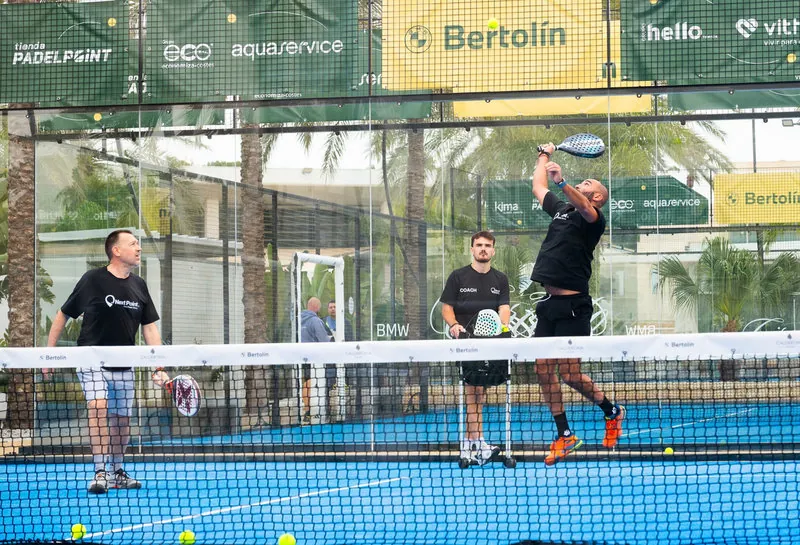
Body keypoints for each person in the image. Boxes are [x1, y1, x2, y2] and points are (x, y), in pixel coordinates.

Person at [45, 229, 161, 493]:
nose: (139, 248)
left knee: (122, 420)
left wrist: (159, 367)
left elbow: (149, 328)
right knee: (98, 406)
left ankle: (117, 471)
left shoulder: (139, 285)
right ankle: (100, 472)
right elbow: (63, 314)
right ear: (116, 250)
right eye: (133, 244)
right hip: (91, 358)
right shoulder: (92, 280)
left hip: (125, 363)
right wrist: (48, 356)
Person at [530, 143, 624, 466]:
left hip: (574, 306)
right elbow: (537, 186)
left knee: (570, 374)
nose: (583, 184)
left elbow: (582, 205)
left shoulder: (593, 218)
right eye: (581, 182)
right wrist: (544, 155)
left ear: (596, 197)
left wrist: (562, 181)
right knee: (542, 368)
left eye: (588, 184)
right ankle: (565, 435)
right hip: (548, 305)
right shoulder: (561, 209)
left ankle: (612, 411)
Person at [440, 231, 511, 466]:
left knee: (480, 391)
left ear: (493, 250)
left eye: (487, 245)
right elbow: (447, 308)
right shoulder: (458, 276)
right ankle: (480, 443)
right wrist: (454, 325)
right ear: (472, 249)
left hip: (490, 343)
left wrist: (502, 327)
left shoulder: (500, 279)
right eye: (479, 245)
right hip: (466, 342)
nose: (483, 249)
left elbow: (504, 308)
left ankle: (469, 444)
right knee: (473, 390)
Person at [300, 297, 334, 424]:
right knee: (312, 384)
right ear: (317, 307)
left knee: (306, 383)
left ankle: (307, 411)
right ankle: (316, 412)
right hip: (315, 360)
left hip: (302, 358)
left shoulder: (298, 320)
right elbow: (324, 340)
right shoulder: (316, 321)